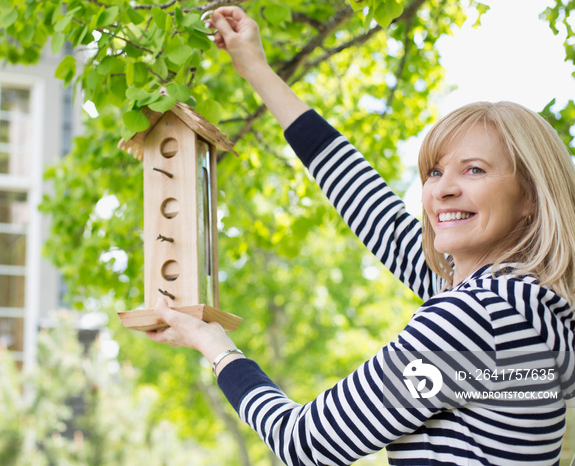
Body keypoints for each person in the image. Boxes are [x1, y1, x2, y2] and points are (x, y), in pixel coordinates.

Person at [147, 6, 575, 465]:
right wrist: (255, 67)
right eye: (434, 171)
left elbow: (304, 444)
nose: (444, 188)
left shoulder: (478, 317)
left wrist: (215, 346)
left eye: (475, 169)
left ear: (530, 196)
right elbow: (372, 209)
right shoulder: (521, 304)